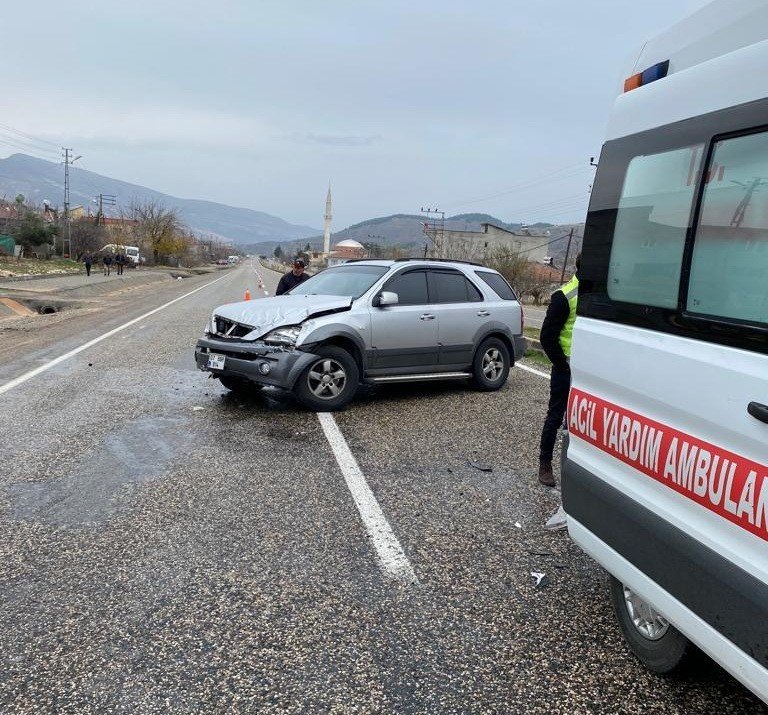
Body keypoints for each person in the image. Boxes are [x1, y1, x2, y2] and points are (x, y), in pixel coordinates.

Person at [537, 253, 580, 487]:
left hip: (588, 372)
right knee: (556, 417)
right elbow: (547, 336)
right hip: (566, 369)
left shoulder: (598, 297)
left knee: (578, 421)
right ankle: (545, 464)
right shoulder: (564, 296)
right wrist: (562, 364)